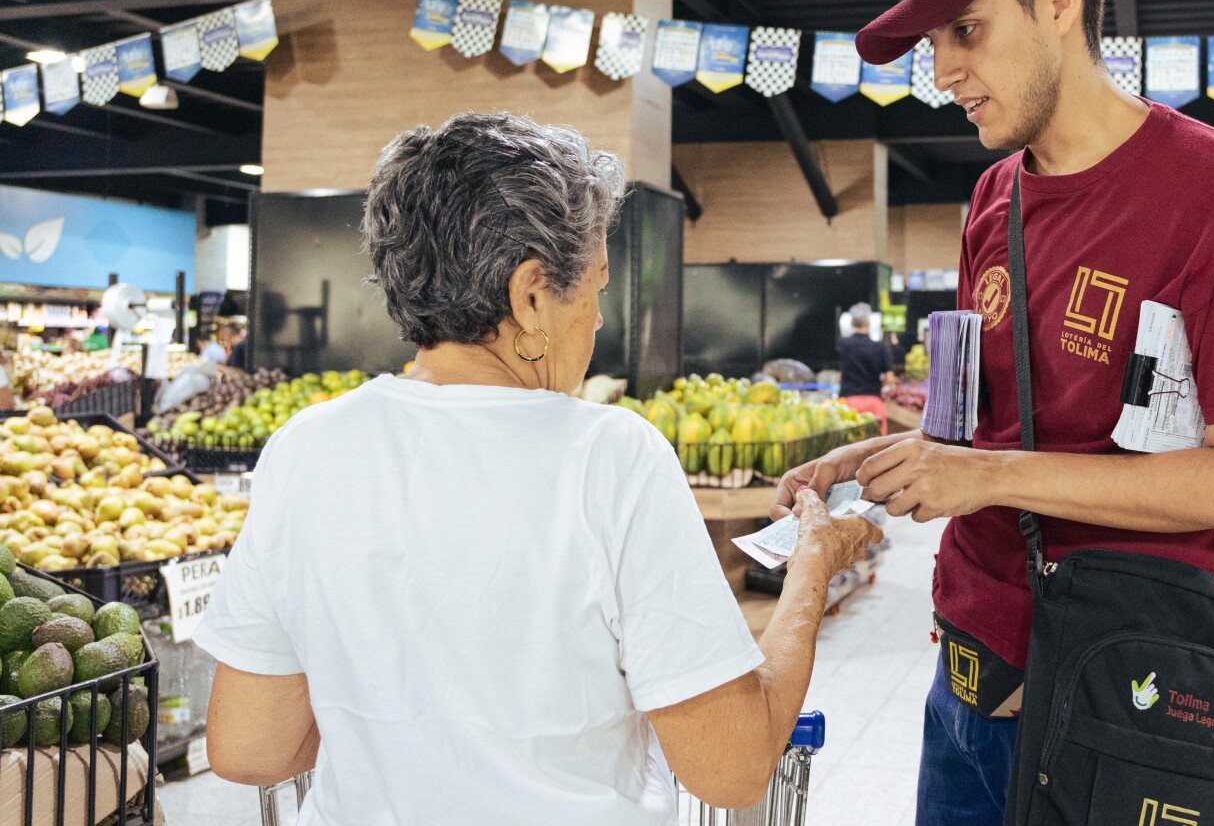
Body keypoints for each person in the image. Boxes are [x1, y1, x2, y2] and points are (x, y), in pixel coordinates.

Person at [770, 0, 1214, 825]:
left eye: (966, 29)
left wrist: (992, 477)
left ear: (1060, 3)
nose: (942, 70)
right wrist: (873, 462)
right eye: (930, 44)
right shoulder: (994, 198)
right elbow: (980, 431)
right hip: (966, 677)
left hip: (1123, 698)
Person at [196, 112, 881, 825]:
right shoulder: (611, 456)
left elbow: (251, 750)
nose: (599, 320)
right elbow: (732, 769)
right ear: (530, 296)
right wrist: (810, 569)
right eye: (596, 288)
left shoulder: (309, 448)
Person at [837, 302, 893, 434]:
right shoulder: (880, 347)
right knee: (878, 447)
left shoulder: (843, 344)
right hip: (874, 402)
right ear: (868, 323)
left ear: (851, 323)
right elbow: (890, 378)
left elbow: (839, 372)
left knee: (849, 447)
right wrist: (878, 384)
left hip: (849, 403)